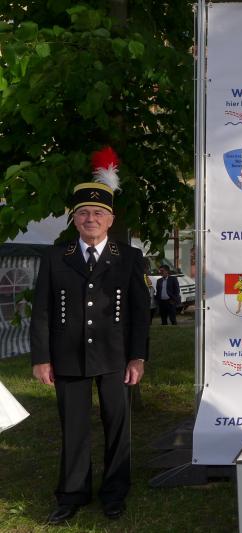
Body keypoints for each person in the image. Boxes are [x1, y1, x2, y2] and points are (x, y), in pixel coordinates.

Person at [30, 147, 150, 524]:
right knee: (74, 427)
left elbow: (139, 312)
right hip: (68, 355)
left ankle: (114, 492)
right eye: (83, 212)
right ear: (74, 219)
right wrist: (41, 358)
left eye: (98, 213)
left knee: (117, 426)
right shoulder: (56, 256)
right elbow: (42, 311)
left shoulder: (128, 257)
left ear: (110, 218)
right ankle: (72, 493)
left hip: (116, 356)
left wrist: (137, 356)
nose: (91, 218)